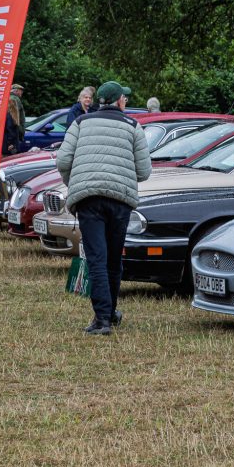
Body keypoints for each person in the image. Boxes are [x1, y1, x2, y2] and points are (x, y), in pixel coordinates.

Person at [56, 80, 152, 336]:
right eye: (125, 99)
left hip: (88, 199)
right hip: (120, 200)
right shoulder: (133, 126)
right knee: (112, 258)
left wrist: (74, 183)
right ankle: (109, 313)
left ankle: (102, 319)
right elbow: (144, 171)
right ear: (119, 101)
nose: (127, 102)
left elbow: (63, 159)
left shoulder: (80, 123)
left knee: (97, 258)